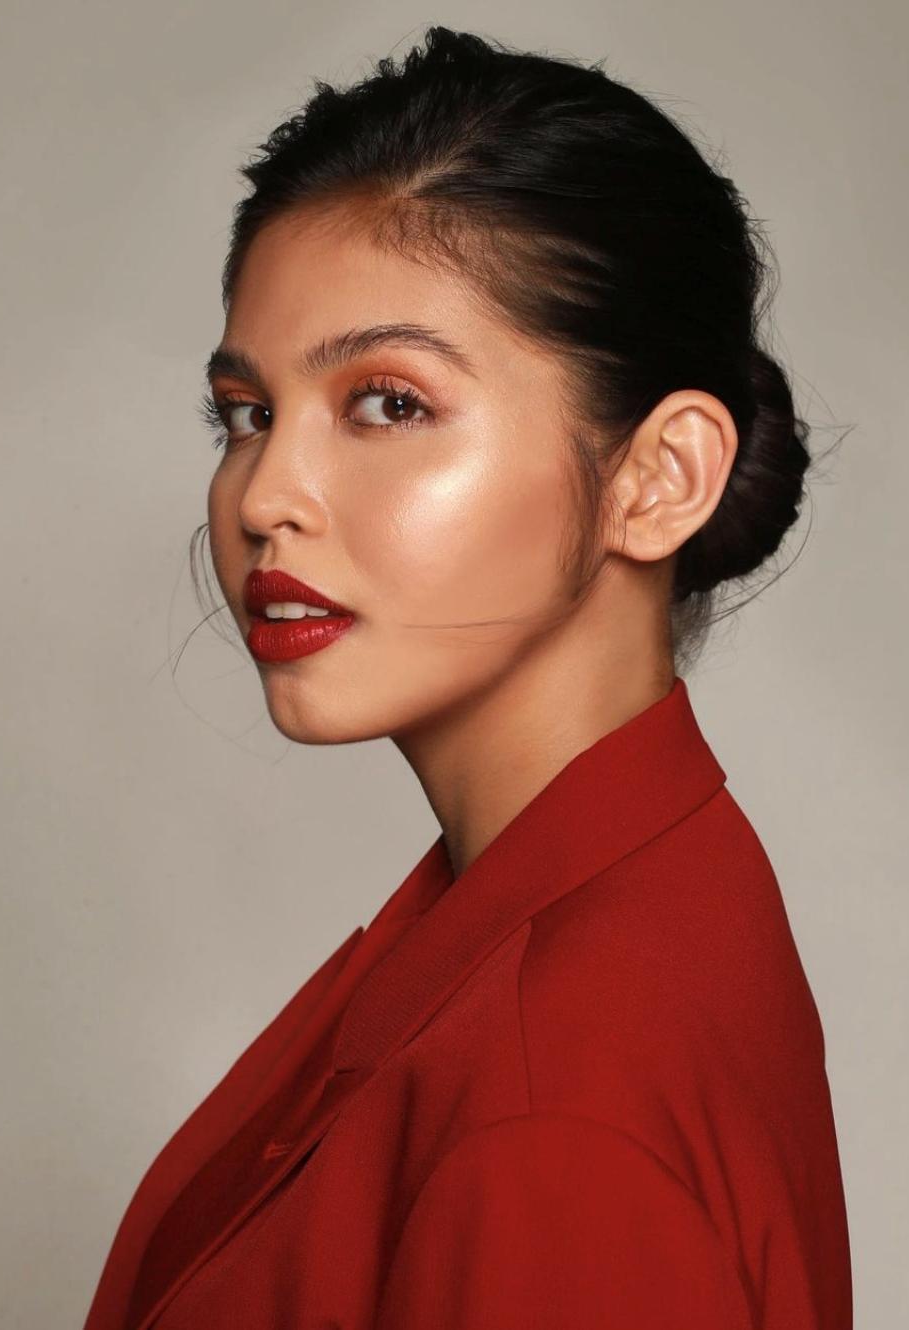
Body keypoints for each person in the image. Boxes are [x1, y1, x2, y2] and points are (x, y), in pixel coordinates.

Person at [82, 25, 851, 1330]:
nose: (264, 495)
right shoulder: (614, 888)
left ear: (657, 476)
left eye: (388, 402)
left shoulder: (555, 1104)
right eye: (246, 412)